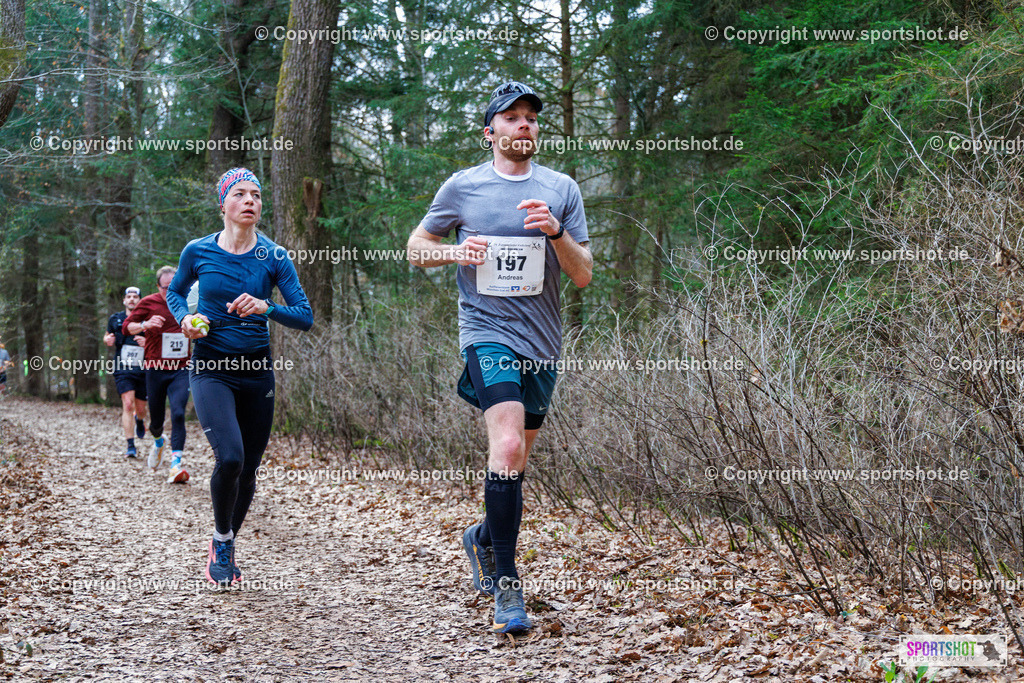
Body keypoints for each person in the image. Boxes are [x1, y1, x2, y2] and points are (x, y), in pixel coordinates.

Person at [406, 81, 592, 634]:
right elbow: (416, 249)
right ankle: (508, 588)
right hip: (486, 332)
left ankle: (483, 537)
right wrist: (454, 252)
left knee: (515, 461)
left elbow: (582, 275)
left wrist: (556, 233)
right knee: (506, 445)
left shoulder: (561, 190)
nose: (524, 125)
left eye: (531, 118)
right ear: (490, 132)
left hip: (542, 343)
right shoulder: (464, 188)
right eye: (511, 118)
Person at [167, 168, 312, 587]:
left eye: (257, 195)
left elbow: (304, 317)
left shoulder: (274, 256)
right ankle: (222, 537)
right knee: (229, 457)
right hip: (210, 366)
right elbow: (176, 292)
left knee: (248, 467)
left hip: (256, 370)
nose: (251, 200)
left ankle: (227, 540)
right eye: (241, 194)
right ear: (223, 205)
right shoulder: (197, 251)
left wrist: (266, 307)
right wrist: (186, 319)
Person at [123, 266, 191, 484]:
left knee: (179, 413)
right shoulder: (149, 303)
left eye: (176, 287)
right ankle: (159, 441)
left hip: (181, 368)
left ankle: (175, 464)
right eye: (166, 288)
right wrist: (145, 324)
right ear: (157, 287)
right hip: (155, 368)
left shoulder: (189, 300)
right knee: (157, 421)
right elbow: (126, 327)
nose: (171, 292)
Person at [104, 286, 149, 458]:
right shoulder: (116, 319)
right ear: (124, 300)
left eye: (135, 297)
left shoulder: (147, 319)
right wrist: (108, 339)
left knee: (141, 408)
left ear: (140, 300)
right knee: (128, 404)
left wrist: (147, 342)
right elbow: (107, 335)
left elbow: (158, 341)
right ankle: (130, 445)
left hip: (144, 368)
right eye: (128, 297)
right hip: (122, 367)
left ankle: (140, 419)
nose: (131, 299)